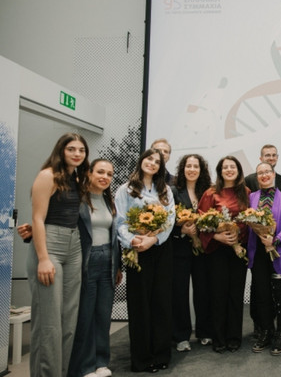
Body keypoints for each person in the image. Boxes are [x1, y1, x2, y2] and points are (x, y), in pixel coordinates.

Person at [26, 132, 89, 377]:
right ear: (61, 150)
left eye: (81, 150)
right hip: (50, 245)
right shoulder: (48, 175)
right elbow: (38, 219)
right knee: (49, 323)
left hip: (73, 246)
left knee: (68, 321)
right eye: (71, 149)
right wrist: (43, 259)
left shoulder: (77, 178)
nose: (77, 153)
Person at [115, 149, 175, 373]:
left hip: (159, 249)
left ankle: (161, 355)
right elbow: (120, 221)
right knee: (139, 304)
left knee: (161, 302)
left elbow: (170, 220)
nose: (152, 163)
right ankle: (142, 358)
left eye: (157, 162)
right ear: (141, 161)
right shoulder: (126, 189)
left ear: (161, 167)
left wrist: (154, 239)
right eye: (149, 159)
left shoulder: (165, 190)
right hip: (137, 249)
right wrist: (133, 241)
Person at [68, 159, 122, 377]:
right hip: (86, 261)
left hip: (108, 261)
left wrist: (117, 266)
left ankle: (101, 362)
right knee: (86, 316)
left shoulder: (109, 201)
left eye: (109, 174)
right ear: (89, 173)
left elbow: (114, 237)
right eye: (100, 172)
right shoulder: (79, 199)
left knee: (103, 315)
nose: (105, 177)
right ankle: (85, 366)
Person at [198, 156, 250, 353]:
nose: (229, 170)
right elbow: (201, 221)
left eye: (232, 167)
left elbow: (251, 219)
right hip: (217, 251)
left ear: (238, 170)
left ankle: (234, 337)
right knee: (218, 294)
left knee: (235, 294)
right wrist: (217, 236)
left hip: (239, 249)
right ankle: (218, 338)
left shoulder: (246, 192)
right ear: (220, 171)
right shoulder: (211, 193)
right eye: (225, 167)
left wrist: (238, 237)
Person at [248, 162, 281, 355]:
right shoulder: (252, 197)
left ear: (274, 174)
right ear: (257, 177)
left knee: (280, 296)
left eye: (267, 171)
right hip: (259, 254)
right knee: (262, 295)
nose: (264, 175)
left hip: (278, 253)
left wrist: (274, 240)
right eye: (260, 173)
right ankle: (267, 331)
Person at [169, 154, 213, 352]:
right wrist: (182, 229)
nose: (192, 169)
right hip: (180, 249)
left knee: (203, 290)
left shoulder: (208, 191)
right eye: (189, 166)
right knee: (179, 292)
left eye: (196, 166)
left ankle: (204, 331)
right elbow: (167, 219)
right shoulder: (173, 191)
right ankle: (181, 336)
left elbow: (213, 217)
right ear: (183, 168)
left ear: (201, 170)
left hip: (203, 249)